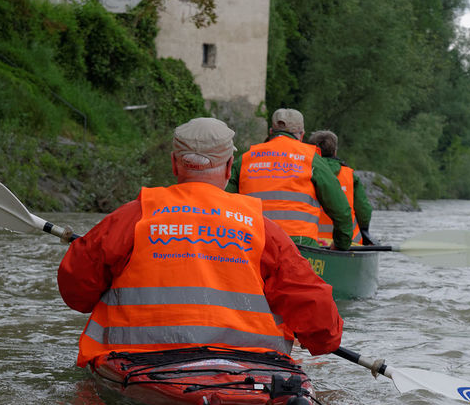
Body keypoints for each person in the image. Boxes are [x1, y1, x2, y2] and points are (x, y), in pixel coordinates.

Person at [57, 117, 343, 367]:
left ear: (173, 164)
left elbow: (76, 290)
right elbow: (317, 310)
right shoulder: (262, 228)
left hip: (139, 362)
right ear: (230, 166)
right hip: (248, 367)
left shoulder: (133, 216)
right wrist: (321, 340)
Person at [225, 108, 353, 250]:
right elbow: (341, 210)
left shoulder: (245, 159)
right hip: (300, 246)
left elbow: (223, 202)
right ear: (302, 135)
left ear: (271, 132)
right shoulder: (311, 159)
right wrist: (341, 244)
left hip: (253, 243)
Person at [308, 129, 374, 246]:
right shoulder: (349, 175)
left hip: (311, 241)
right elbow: (364, 211)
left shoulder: (303, 171)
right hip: (348, 243)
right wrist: (365, 231)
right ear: (335, 151)